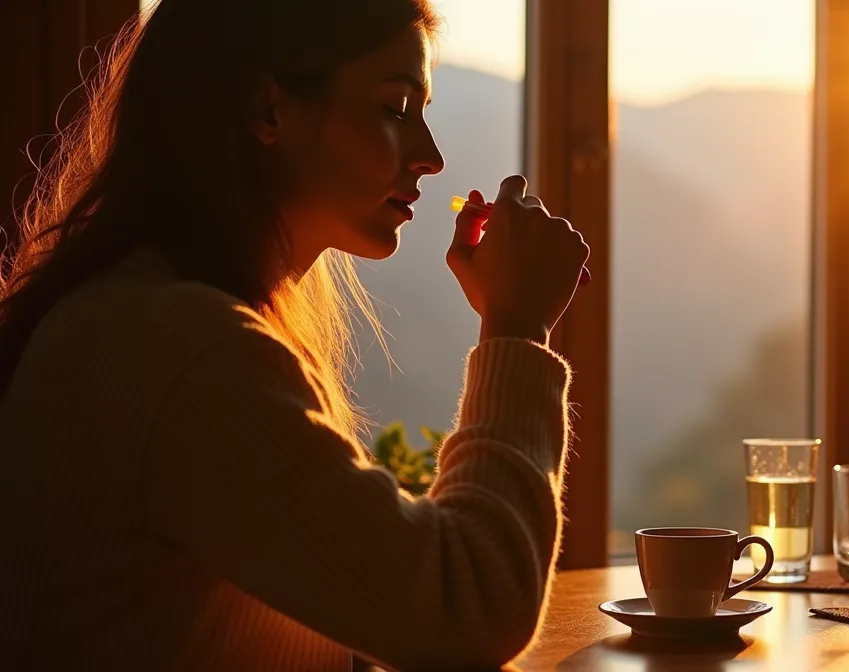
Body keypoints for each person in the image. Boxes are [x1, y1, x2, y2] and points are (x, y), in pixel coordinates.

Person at [0, 0, 590, 669]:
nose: (430, 157)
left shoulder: (145, 316)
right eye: (396, 108)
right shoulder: (186, 354)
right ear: (269, 111)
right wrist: (516, 327)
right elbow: (472, 606)